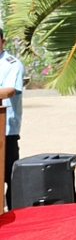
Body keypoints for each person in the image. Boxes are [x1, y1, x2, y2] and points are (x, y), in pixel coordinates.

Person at [0, 29, 24, 211]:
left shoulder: (12, 64)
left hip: (5, 132)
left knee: (9, 177)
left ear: (3, 41)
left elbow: (9, 91)